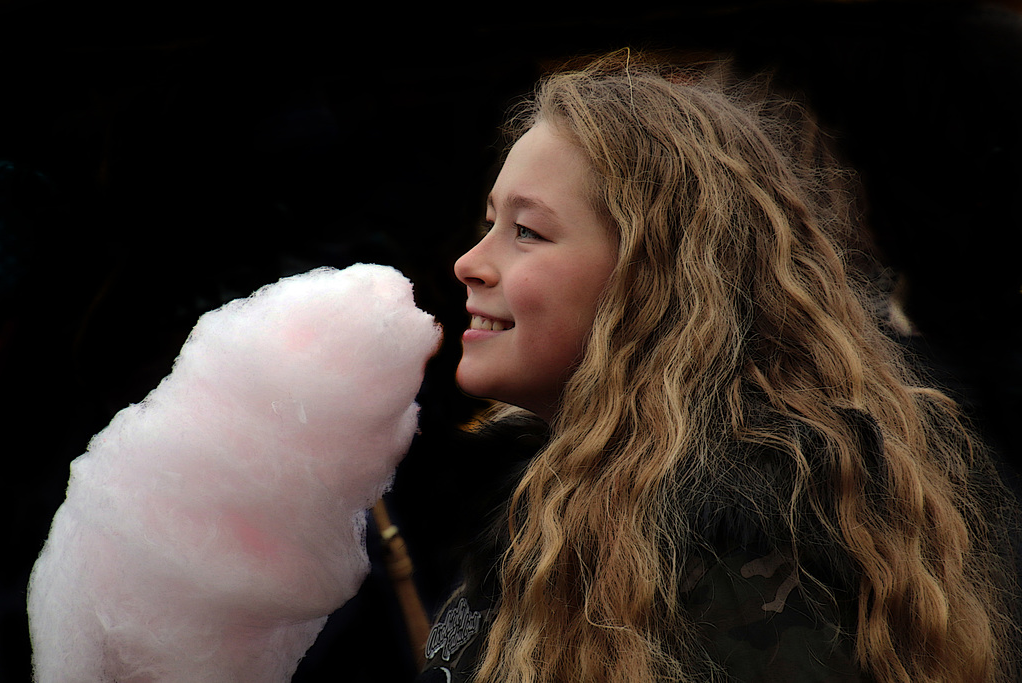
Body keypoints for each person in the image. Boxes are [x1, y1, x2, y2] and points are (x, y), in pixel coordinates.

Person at [411, 51, 1021, 682]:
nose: (469, 262)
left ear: (653, 281)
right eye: (489, 223)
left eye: (527, 232)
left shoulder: (743, 551)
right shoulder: (538, 507)